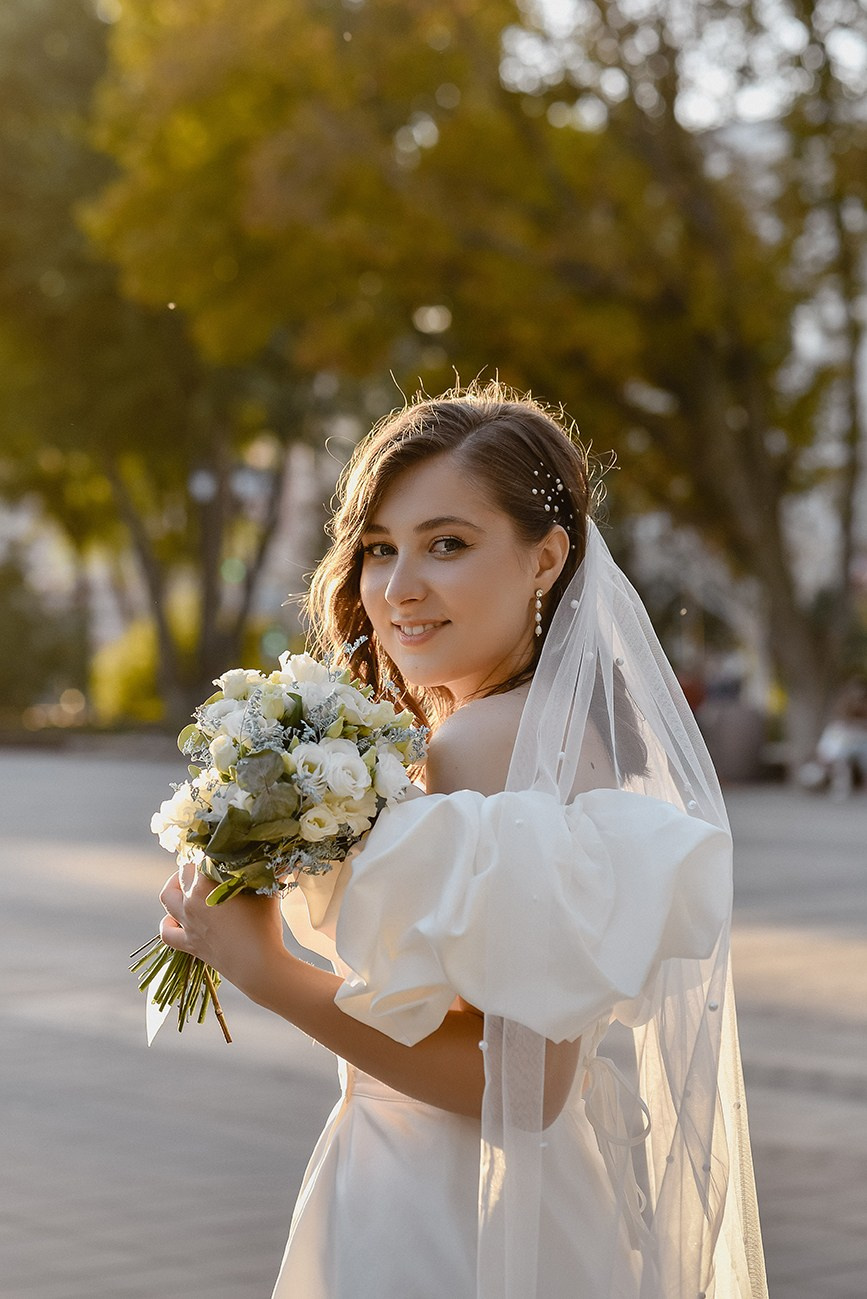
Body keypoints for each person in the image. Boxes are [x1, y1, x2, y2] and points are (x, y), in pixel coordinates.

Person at [159, 384, 768, 1298]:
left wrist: (265, 970)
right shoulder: (533, 730)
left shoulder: (481, 743)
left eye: (446, 543)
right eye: (379, 548)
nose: (399, 587)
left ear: (545, 558)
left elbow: (521, 1089)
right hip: (505, 1193)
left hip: (448, 1210)